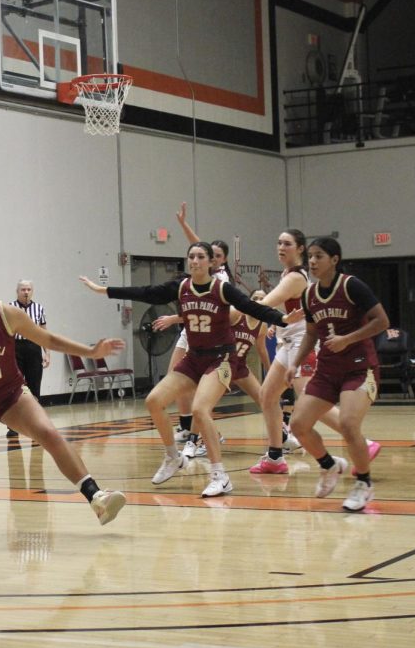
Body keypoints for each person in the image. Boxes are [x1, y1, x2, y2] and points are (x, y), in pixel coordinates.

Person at [0, 263, 128, 525]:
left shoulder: (7, 314)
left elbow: (47, 340)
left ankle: (97, 498)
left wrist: (91, 352)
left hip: (10, 394)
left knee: (49, 434)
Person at [80, 242, 286, 497]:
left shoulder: (222, 289)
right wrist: (105, 290)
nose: (195, 261)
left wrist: (282, 319)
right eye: (191, 256)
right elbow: (147, 292)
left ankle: (220, 476)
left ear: (211, 262)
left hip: (221, 358)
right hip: (194, 358)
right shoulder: (181, 287)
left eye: (201, 256)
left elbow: (251, 307)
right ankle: (173, 457)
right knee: (154, 401)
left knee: (200, 409)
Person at [249, 229, 381, 477]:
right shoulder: (288, 275)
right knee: (267, 396)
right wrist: (277, 325)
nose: (280, 247)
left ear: (300, 249)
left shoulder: (297, 277)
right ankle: (275, 457)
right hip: (287, 343)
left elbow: (267, 303)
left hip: (302, 343)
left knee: (310, 402)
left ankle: (363, 442)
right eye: (278, 242)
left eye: (287, 243)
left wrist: (238, 307)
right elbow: (286, 310)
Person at [287, 237, 390, 511]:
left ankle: (364, 484)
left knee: (347, 423)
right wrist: (294, 363)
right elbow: (311, 334)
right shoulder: (309, 295)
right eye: (309, 256)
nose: (312, 261)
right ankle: (330, 465)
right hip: (327, 370)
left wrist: (348, 338)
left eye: (318, 256)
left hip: (359, 367)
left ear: (334, 259)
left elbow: (382, 321)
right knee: (298, 424)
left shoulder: (351, 285)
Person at [169, 202, 232, 459]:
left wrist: (174, 318)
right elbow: (198, 244)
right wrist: (183, 224)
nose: (202, 258)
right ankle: (191, 430)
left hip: (215, 340)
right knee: (176, 379)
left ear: (220, 260)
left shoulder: (222, 281)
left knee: (201, 396)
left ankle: (203, 436)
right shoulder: (193, 278)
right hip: (192, 332)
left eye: (213, 255)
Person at [8, 279, 49, 438]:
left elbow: (44, 332)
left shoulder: (39, 308)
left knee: (34, 385)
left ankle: (36, 424)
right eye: (23, 289)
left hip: (33, 347)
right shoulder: (10, 308)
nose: (26, 292)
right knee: (14, 388)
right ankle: (12, 426)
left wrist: (47, 353)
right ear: (17, 291)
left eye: (28, 289)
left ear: (32, 291)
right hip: (15, 348)